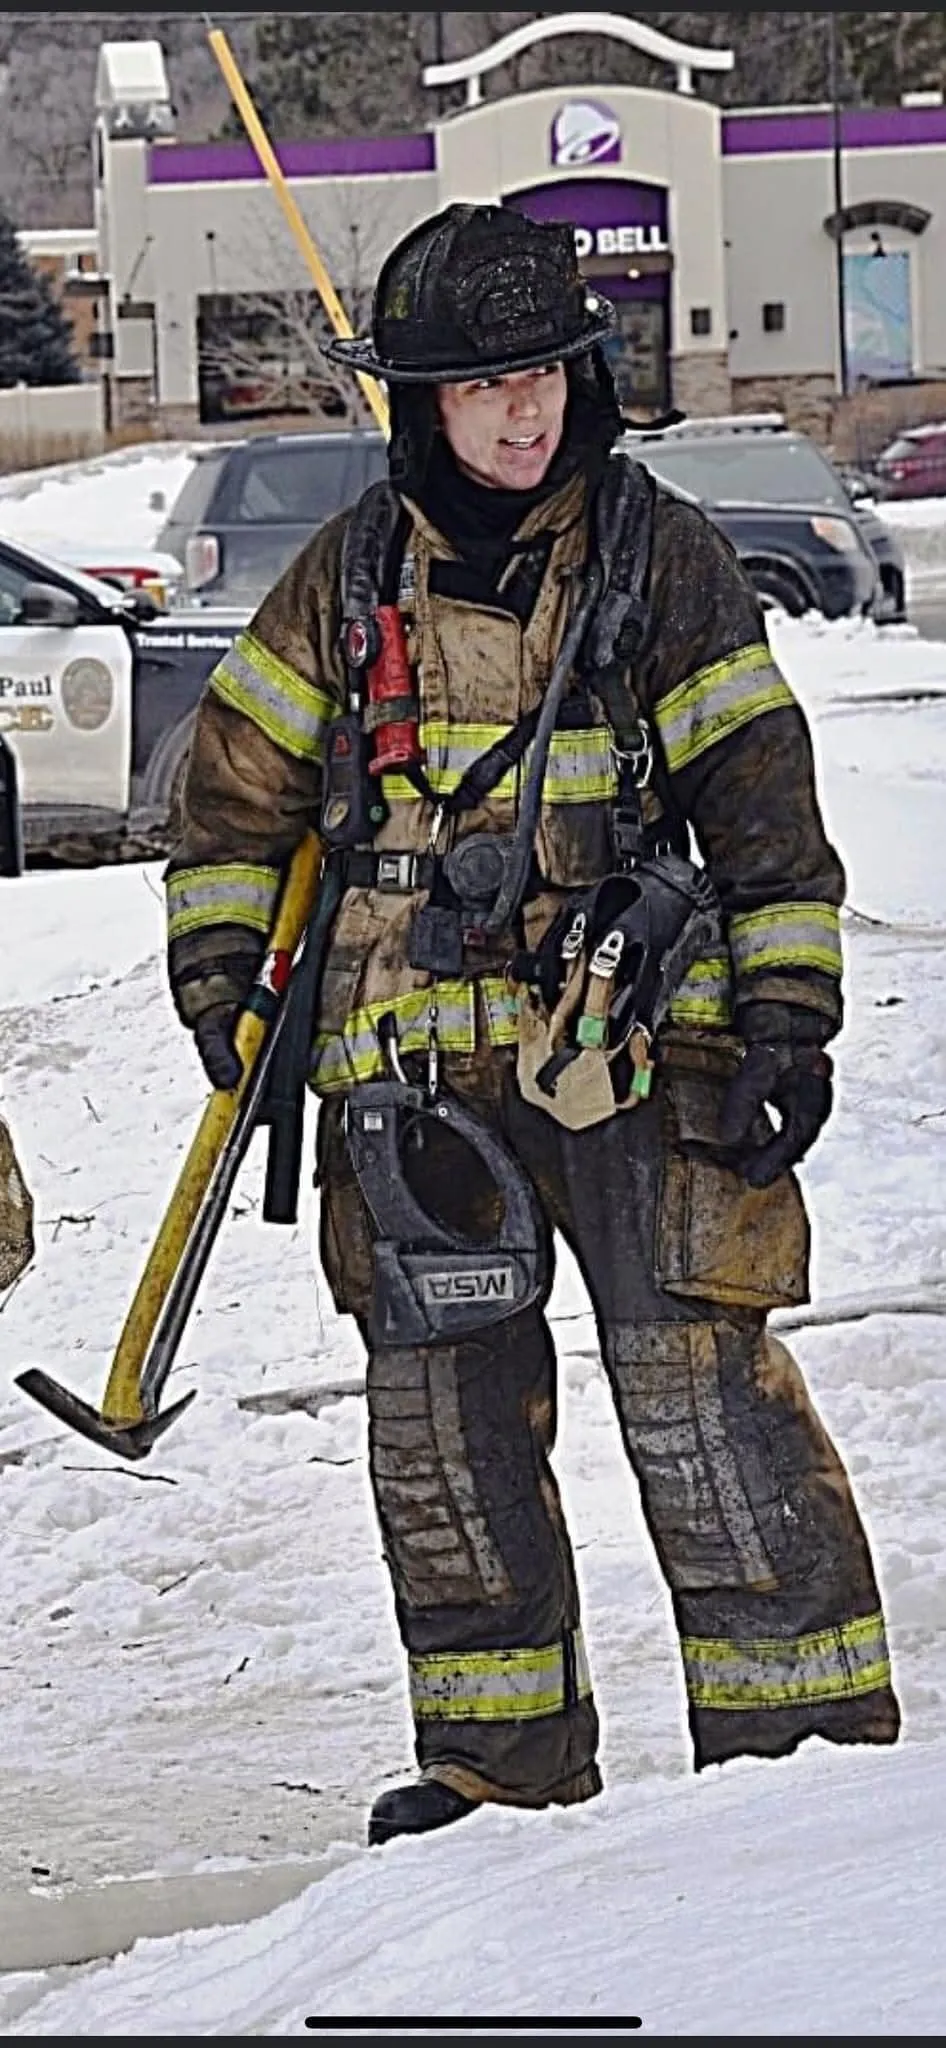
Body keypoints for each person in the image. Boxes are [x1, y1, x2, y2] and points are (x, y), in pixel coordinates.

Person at [163, 202, 900, 1848]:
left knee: (701, 1405)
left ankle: (805, 1784)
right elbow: (225, 812)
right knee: (446, 1443)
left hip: (641, 1060)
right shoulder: (344, 579)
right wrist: (222, 989)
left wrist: (785, 1015)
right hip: (415, 1086)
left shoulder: (662, 559)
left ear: (583, 373)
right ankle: (499, 1786)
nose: (519, 415)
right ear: (418, 404)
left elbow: (764, 809)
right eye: (478, 387)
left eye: (541, 377)